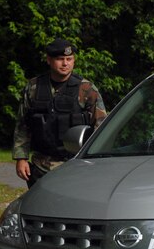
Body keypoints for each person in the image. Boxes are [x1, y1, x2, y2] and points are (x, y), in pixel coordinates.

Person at [13, 38, 106, 188]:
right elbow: (23, 124)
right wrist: (21, 158)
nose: (65, 63)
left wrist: (94, 162)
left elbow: (101, 128)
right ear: (49, 60)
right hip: (40, 166)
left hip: (75, 165)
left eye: (69, 59)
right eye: (60, 59)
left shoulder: (87, 89)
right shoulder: (33, 87)